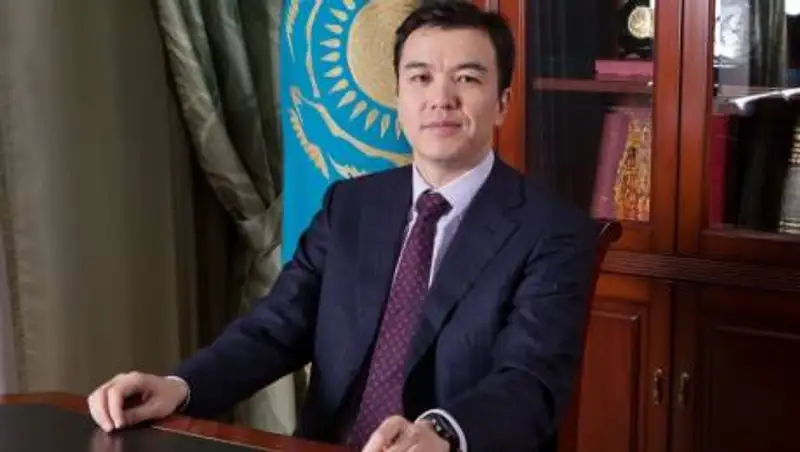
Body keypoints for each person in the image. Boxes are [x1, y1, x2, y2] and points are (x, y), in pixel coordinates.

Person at [87, 3, 599, 452]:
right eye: (420, 78)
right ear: (398, 96)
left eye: (467, 78)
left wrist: (441, 433)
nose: (441, 98)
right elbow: (275, 328)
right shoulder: (351, 204)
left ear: (503, 102)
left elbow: (530, 381)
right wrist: (179, 387)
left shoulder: (552, 231)